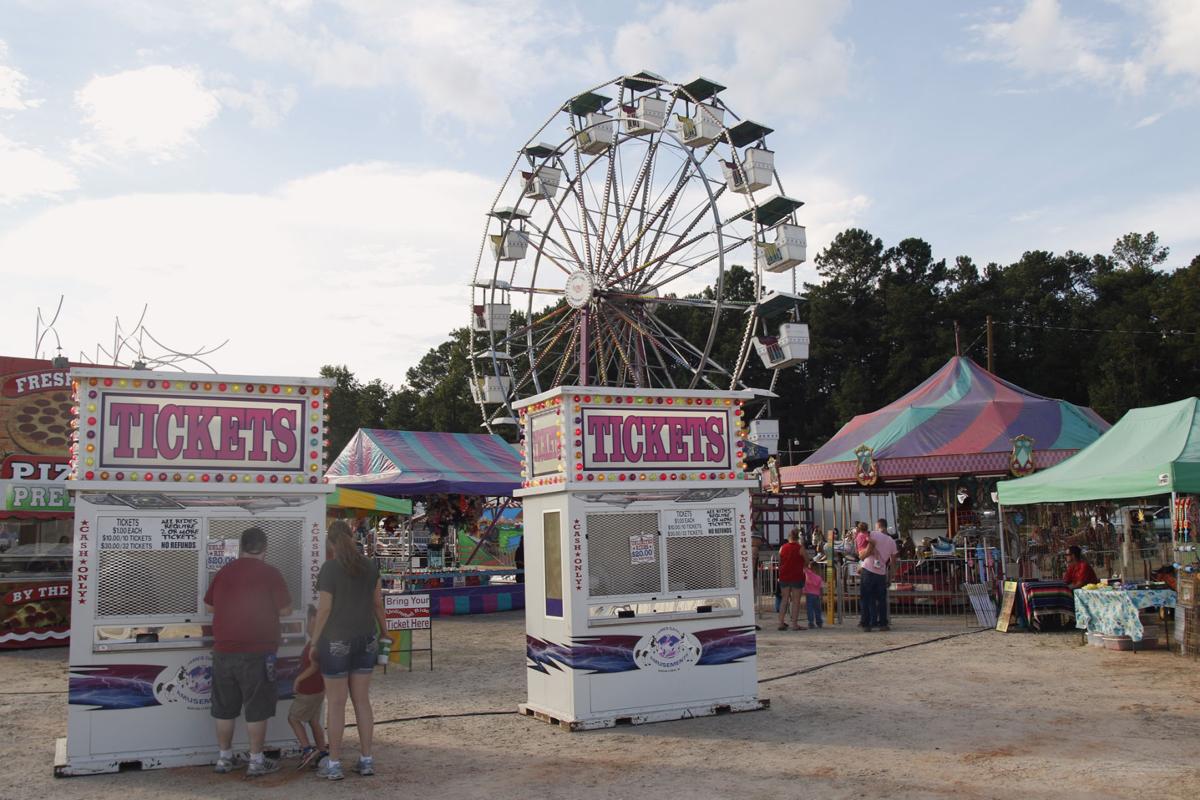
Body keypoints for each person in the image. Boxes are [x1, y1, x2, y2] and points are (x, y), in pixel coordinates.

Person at [204, 526, 293, 777]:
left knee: (224, 708)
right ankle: (255, 761)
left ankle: (224, 758)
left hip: (223, 650)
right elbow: (286, 610)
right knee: (256, 707)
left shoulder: (224, 572)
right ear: (265, 548)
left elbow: (209, 606)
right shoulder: (270, 574)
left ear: (241, 547)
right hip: (258, 651)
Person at [311, 520, 387, 780]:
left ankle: (333, 763)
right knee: (362, 701)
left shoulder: (330, 569)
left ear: (331, 543)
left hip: (335, 641)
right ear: (353, 537)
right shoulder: (370, 566)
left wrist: (313, 641)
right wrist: (385, 631)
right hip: (366, 638)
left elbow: (324, 609)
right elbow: (378, 605)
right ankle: (366, 760)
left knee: (335, 703)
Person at [289, 604, 328, 770]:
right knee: (314, 721)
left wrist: (298, 679)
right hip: (318, 689)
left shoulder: (315, 643)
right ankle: (322, 751)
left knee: (293, 718)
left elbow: (313, 666)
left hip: (308, 690)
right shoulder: (321, 641)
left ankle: (307, 749)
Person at [856, 521, 897, 632]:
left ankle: (866, 624)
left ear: (878, 526)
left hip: (868, 569)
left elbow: (864, 550)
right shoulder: (892, 541)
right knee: (881, 600)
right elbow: (893, 561)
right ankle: (883, 623)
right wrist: (891, 576)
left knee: (866, 598)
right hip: (881, 573)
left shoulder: (872, 534)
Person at [777, 529, 807, 631]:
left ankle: (781, 622)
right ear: (797, 537)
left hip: (784, 576)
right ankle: (794, 624)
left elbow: (780, 561)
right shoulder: (800, 548)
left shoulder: (782, 548)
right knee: (795, 601)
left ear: (789, 537)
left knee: (784, 599)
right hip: (796, 576)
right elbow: (807, 561)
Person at [803, 561, 824, 629]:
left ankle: (811, 622)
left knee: (810, 609)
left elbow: (804, 567)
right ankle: (819, 622)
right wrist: (821, 595)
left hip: (809, 594)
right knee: (817, 609)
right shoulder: (819, 578)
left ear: (810, 567)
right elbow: (821, 588)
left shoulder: (808, 574)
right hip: (817, 595)